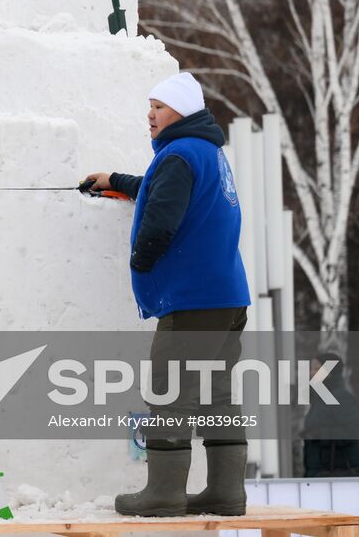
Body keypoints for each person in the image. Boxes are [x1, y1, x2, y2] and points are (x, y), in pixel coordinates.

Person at [83, 72, 251, 517]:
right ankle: (226, 492)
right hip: (227, 296)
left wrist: (141, 260)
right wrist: (116, 179)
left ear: (182, 111)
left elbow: (161, 218)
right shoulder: (206, 151)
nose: (150, 114)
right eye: (150, 106)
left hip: (193, 300)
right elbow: (163, 191)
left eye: (159, 106)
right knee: (217, 394)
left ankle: (163, 492)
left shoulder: (178, 155)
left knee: (170, 392)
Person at [302, 351, 359, 477]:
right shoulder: (320, 397)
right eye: (311, 369)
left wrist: (319, 434)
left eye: (316, 369)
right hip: (320, 472)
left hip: (338, 475)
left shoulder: (341, 397)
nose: (311, 373)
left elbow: (352, 431)